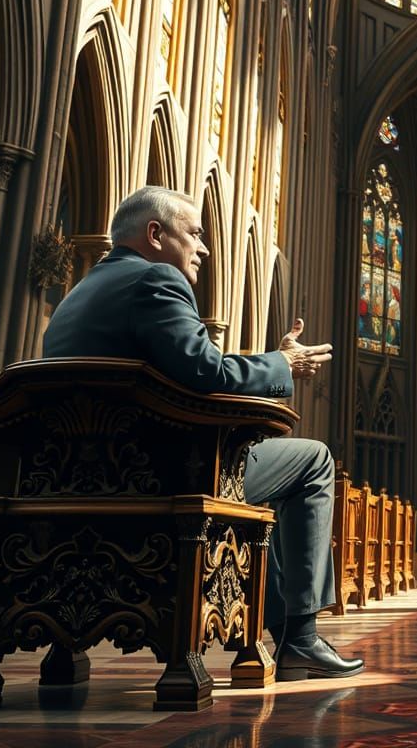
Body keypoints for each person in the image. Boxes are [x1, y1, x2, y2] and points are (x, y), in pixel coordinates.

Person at [42, 186, 364, 682]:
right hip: (164, 476)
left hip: (75, 482)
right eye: (194, 233)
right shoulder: (157, 280)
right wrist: (282, 364)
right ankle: (299, 637)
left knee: (274, 467)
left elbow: (179, 373)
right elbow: (205, 372)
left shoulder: (78, 294)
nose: (204, 247)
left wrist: (268, 361)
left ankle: (65, 650)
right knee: (312, 459)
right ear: (155, 234)